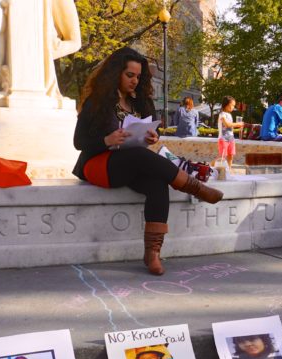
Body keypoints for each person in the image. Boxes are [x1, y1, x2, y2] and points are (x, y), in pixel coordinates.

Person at [73, 47, 223, 276]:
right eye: (129, 75)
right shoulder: (98, 102)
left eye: (138, 76)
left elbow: (147, 133)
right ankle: (195, 187)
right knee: (140, 157)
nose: (134, 81)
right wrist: (106, 139)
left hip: (130, 161)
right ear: (115, 73)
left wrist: (151, 136)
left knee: (157, 183)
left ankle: (152, 253)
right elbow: (79, 142)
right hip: (98, 163)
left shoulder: (139, 102)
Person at [217, 96, 244, 170]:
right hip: (223, 139)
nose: (233, 107)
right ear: (226, 104)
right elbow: (226, 124)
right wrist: (237, 124)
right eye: (232, 105)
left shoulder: (230, 115)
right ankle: (212, 165)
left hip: (231, 138)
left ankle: (228, 170)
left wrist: (238, 128)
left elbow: (230, 128)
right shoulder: (222, 114)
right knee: (222, 157)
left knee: (231, 155)